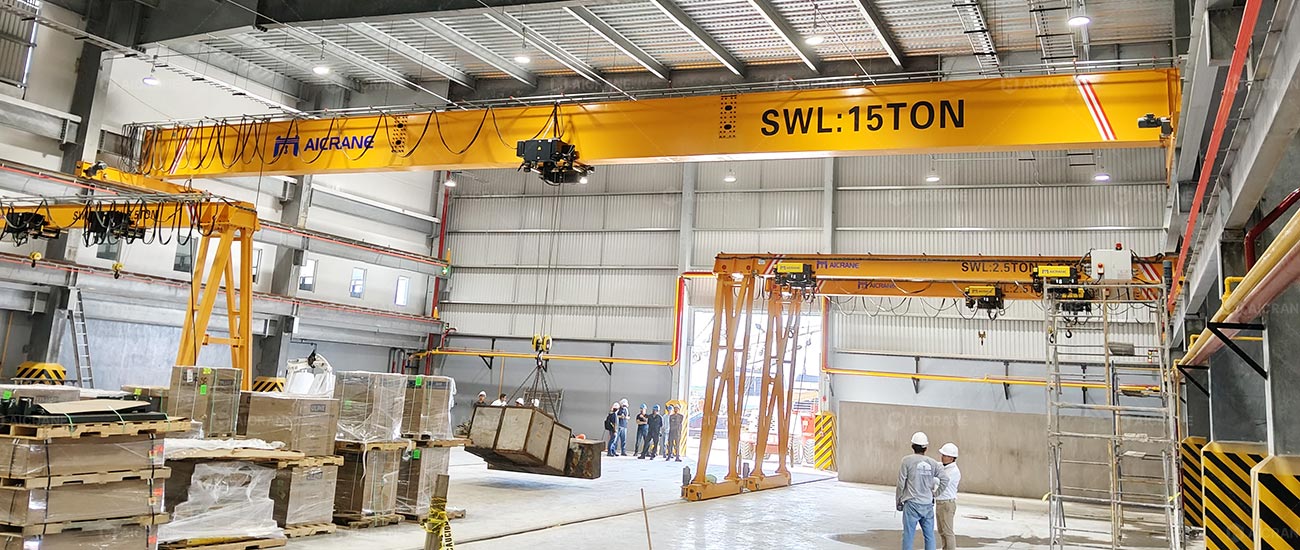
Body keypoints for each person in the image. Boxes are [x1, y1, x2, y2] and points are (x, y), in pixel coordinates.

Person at [896, 431, 949, 550]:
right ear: (926, 448)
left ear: (912, 446)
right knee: (929, 536)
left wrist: (898, 501)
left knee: (908, 535)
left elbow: (901, 483)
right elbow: (945, 479)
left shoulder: (906, 461)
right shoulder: (933, 463)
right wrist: (935, 494)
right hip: (927, 504)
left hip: (912, 504)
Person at [936, 443, 961, 550]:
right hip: (940, 503)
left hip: (947, 504)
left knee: (948, 532)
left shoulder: (954, 471)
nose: (942, 457)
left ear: (951, 458)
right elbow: (935, 465)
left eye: (945, 455)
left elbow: (940, 481)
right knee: (942, 531)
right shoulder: (943, 466)